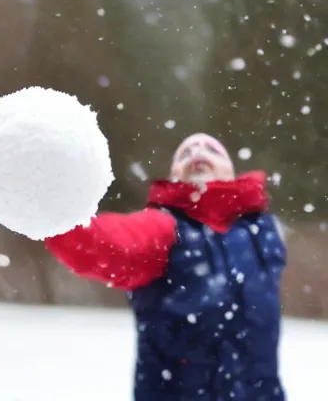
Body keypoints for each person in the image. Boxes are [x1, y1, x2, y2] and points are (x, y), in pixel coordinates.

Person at [45, 133, 286, 401]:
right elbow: (97, 242)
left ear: (231, 172)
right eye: (185, 153)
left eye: (212, 150)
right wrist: (53, 211)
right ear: (174, 175)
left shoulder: (262, 232)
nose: (197, 152)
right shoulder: (162, 229)